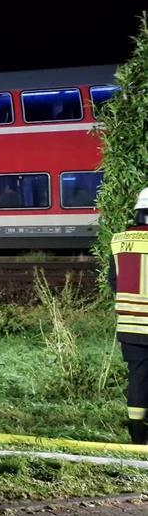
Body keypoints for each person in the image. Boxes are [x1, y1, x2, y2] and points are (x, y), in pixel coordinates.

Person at [109, 186, 148, 445]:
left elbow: (114, 281)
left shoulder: (118, 240)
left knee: (139, 378)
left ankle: (138, 434)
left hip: (130, 325)